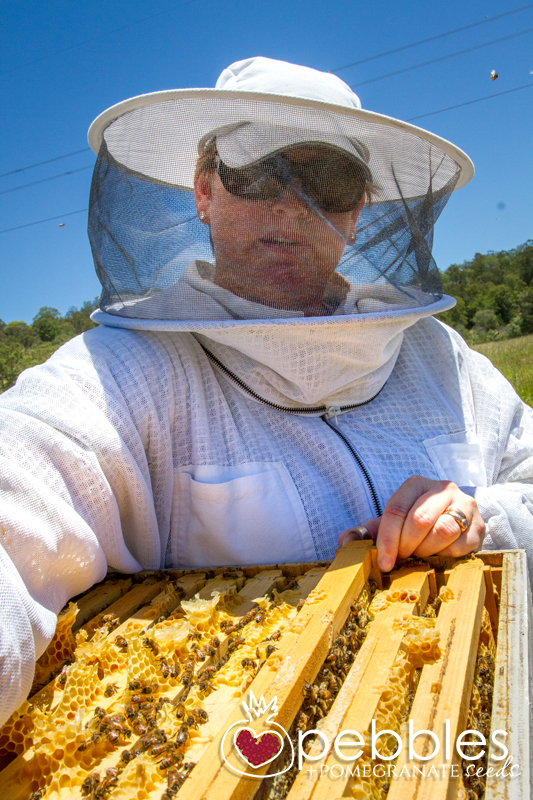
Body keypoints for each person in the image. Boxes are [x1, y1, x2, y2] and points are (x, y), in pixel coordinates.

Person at [0, 56, 532, 727]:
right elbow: (17, 502)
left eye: (328, 182)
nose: (291, 206)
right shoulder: (119, 376)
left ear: (357, 211)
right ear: (204, 190)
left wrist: (484, 520)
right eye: (257, 173)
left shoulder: (439, 356)